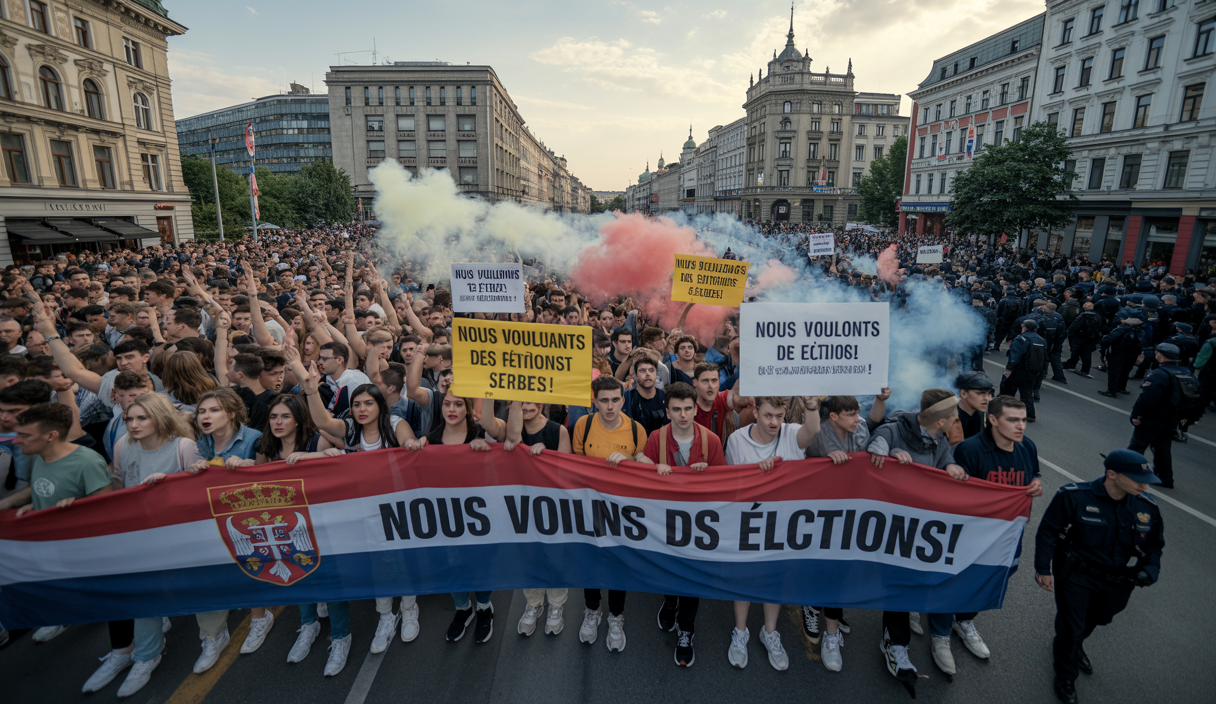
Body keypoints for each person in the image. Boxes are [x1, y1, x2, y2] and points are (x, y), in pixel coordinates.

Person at [298, 354, 421, 662]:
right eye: (357, 404)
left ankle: (408, 609)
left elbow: (409, 449)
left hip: (395, 510)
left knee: (400, 560)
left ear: (381, 405)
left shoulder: (396, 424)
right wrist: (312, 389)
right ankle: (384, 617)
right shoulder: (350, 428)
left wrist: (412, 447)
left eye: (368, 404)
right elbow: (322, 422)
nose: (362, 410)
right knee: (378, 564)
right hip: (361, 511)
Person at [1033, 449, 1164, 704]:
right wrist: (1042, 569)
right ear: (1112, 474)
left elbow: (1153, 546)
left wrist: (1150, 570)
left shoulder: (1146, 506)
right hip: (1077, 575)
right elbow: (1048, 531)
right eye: (1137, 478)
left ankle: (1075, 643)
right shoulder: (1074, 496)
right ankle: (1066, 676)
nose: (1144, 485)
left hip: (1118, 580)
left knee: (1098, 619)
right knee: (1071, 626)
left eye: (1146, 480)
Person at [866, 389, 969, 695]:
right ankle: (895, 645)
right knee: (898, 587)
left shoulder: (938, 439)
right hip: (889, 526)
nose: (957, 420)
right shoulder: (893, 429)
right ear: (940, 420)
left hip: (920, 527)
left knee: (910, 584)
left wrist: (952, 468)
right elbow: (874, 448)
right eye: (953, 416)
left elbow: (946, 460)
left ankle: (904, 625)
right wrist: (888, 454)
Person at [101, 393, 204, 697]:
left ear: (159, 417)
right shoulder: (123, 446)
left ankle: (212, 635)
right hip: (140, 536)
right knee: (142, 593)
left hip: (178, 538)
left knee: (194, 592)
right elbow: (120, 484)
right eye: (129, 419)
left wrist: (173, 482)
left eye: (141, 418)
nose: (133, 424)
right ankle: (146, 655)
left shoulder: (183, 446)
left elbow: (197, 487)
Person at [938, 395, 1044, 678]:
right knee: (954, 581)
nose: (1020, 426)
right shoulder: (969, 450)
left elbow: (1034, 474)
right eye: (1013, 420)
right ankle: (939, 635)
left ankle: (964, 621)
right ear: (993, 420)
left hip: (1008, 536)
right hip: (971, 536)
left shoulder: (1027, 446)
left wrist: (1036, 484)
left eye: (1023, 420)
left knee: (993, 578)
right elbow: (954, 498)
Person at [724, 395, 820, 673]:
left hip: (783, 525)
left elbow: (811, 431)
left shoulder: (791, 433)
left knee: (774, 579)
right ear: (755, 412)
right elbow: (731, 485)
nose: (775, 422)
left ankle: (770, 632)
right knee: (744, 579)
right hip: (750, 523)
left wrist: (812, 406)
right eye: (768, 416)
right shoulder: (738, 440)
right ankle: (740, 632)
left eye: (779, 416)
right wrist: (758, 476)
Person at [800, 389, 889, 671]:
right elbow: (803, 461)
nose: (856, 418)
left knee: (841, 564)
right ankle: (812, 604)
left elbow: (875, 424)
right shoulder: (820, 434)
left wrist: (881, 401)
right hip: (820, 508)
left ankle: (832, 618)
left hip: (850, 509)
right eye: (850, 414)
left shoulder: (859, 426)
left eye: (857, 412)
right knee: (818, 561)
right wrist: (825, 461)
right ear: (835, 416)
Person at [10, 403, 112, 644]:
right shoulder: (38, 456)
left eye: (24, 435)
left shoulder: (87, 462)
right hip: (51, 546)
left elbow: (107, 508)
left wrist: (77, 505)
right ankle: (67, 615)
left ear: (51, 436)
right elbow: (44, 488)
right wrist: (33, 505)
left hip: (83, 550)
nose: (16, 441)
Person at [641, 381, 726, 667]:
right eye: (676, 409)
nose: (683, 414)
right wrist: (651, 468)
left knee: (692, 575)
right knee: (668, 567)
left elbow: (722, 484)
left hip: (699, 523)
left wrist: (709, 474)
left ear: (694, 409)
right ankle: (669, 601)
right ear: (667, 411)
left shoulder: (711, 440)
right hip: (664, 519)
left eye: (688, 408)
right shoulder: (656, 438)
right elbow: (641, 482)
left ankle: (686, 628)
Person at [187, 387, 270, 672]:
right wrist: (195, 468)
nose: (205, 417)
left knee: (251, 565)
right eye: (201, 411)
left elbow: (272, 474)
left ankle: (259, 618)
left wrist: (249, 465)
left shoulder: (255, 439)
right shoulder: (202, 443)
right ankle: (214, 634)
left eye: (213, 410)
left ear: (232, 413)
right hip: (214, 518)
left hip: (248, 521)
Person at [572, 375, 649, 651]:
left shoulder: (637, 431)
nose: (610, 406)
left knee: (618, 565)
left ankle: (616, 616)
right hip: (590, 508)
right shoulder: (584, 424)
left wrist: (629, 461)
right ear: (594, 401)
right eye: (603, 401)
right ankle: (592, 610)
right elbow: (574, 467)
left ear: (623, 400)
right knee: (590, 563)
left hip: (623, 512)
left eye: (615, 400)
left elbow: (646, 474)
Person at [419, 389, 500, 643]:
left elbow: (500, 466)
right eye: (446, 404)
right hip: (445, 515)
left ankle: (485, 607)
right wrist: (416, 448)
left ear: (467, 408)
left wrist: (486, 449)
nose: (451, 409)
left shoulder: (478, 434)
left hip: (478, 515)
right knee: (452, 562)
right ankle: (462, 608)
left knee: (479, 563)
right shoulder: (431, 439)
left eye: (457, 404)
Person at [502, 400, 572, 637]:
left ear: (541, 405)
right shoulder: (511, 428)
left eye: (531, 401)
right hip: (521, 506)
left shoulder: (557, 431)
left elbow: (567, 472)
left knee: (554, 557)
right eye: (521, 402)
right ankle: (533, 603)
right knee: (527, 556)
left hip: (550, 506)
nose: (526, 406)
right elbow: (505, 438)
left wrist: (547, 457)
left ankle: (556, 605)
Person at [1127, 343, 1203, 489]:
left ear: (1160, 356)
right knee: (1163, 448)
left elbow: (1147, 398)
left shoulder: (1160, 374)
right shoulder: (1186, 373)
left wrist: (1136, 415)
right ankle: (1165, 479)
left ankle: (1126, 472)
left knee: (1137, 445)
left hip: (1154, 417)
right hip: (1172, 417)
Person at [1001, 319, 1047, 422]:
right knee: (1026, 392)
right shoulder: (1041, 340)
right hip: (1033, 371)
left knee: (1008, 388)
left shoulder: (1021, 339)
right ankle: (1030, 414)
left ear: (1024, 327)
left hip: (1020, 369)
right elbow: (1045, 357)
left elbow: (1015, 356)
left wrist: (1009, 369)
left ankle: (1005, 410)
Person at [948, 372, 994, 444]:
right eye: (980, 393)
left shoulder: (982, 414)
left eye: (988, 393)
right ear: (963, 394)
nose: (987, 398)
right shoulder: (949, 420)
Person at [1064, 302, 1103, 378]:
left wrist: (1069, 333)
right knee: (1086, 354)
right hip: (1090, 338)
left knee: (1075, 352)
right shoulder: (1098, 316)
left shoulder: (1083, 315)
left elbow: (1075, 325)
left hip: (1079, 336)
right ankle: (1085, 370)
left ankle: (1072, 365)